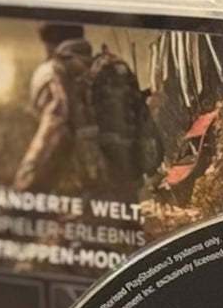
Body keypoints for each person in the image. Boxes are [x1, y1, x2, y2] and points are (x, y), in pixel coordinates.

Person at [15, 22, 156, 200]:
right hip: (125, 200)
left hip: (80, 201)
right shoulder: (115, 69)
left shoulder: (54, 72)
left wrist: (20, 196)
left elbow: (53, 136)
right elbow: (150, 137)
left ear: (47, 40)